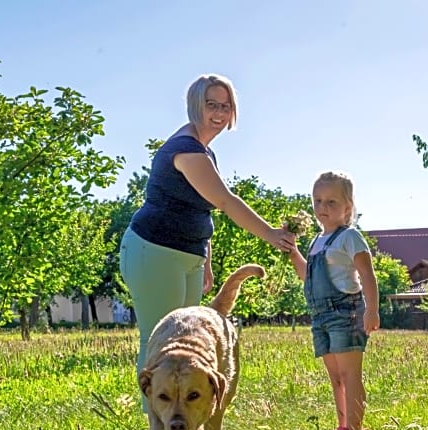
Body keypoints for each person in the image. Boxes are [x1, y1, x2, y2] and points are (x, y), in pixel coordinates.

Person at [120, 74, 296, 394]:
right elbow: (224, 201)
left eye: (225, 106)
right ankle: (156, 423)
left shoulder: (204, 151)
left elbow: (202, 210)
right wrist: (270, 233)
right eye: (211, 104)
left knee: (182, 337)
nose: (219, 112)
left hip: (187, 255)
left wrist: (207, 260)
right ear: (194, 106)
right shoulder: (187, 149)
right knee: (158, 337)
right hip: (155, 251)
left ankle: (182, 411)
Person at [286, 171, 380, 430]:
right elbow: (307, 275)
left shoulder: (349, 237)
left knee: (350, 374)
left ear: (347, 207)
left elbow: (367, 274)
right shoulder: (317, 241)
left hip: (345, 312)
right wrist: (293, 252)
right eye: (317, 201)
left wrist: (372, 309)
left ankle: (355, 428)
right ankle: (342, 425)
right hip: (320, 316)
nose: (322, 208)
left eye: (331, 202)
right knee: (336, 375)